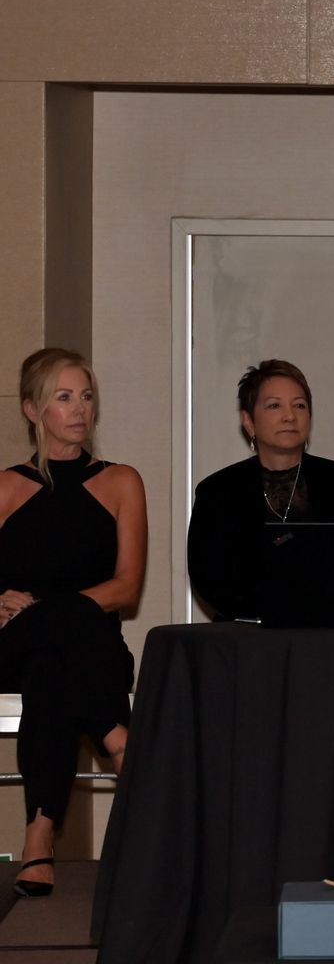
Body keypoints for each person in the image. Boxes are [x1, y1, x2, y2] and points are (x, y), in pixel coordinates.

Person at [0, 349, 143, 898]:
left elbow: (126, 588)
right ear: (32, 409)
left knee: (51, 671)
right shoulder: (6, 488)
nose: (80, 409)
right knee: (43, 649)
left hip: (89, 651)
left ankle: (39, 837)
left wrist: (50, 610)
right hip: (13, 646)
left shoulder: (121, 481)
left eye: (86, 396)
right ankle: (116, 735)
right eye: (64, 397)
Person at [187, 359, 334, 620]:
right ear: (249, 421)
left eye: (299, 405)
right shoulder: (218, 491)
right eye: (274, 405)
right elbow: (208, 579)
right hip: (247, 633)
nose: (290, 416)